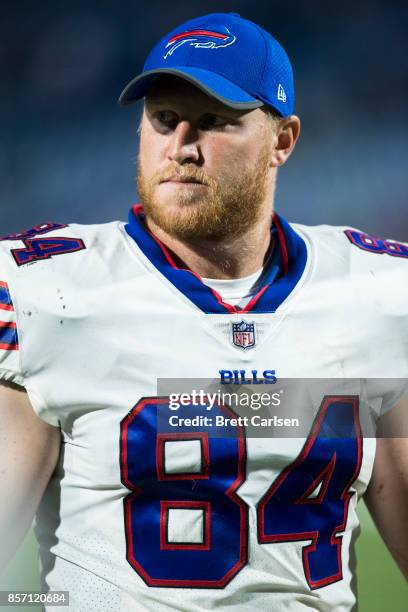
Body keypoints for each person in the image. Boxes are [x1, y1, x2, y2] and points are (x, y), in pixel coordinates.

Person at [0, 11, 407, 612]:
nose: (182, 147)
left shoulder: (377, 294)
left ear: (282, 141)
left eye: (214, 122)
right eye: (164, 119)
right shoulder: (51, 293)